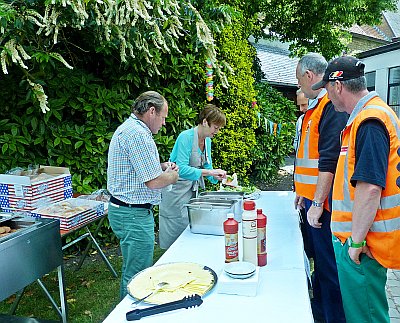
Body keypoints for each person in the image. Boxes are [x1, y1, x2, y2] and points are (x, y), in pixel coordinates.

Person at [312, 55, 400, 323]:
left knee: (366, 317)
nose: (327, 96)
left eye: (326, 89)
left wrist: (356, 242)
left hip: (363, 246)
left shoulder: (369, 120)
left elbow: (370, 188)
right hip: (359, 241)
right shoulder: (366, 117)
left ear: (338, 86)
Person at [107, 91, 179, 299]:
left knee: (134, 269)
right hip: (133, 215)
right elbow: (154, 181)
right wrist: (173, 176)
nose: (164, 123)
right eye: (163, 117)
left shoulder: (132, 130)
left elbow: (137, 170)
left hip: (127, 211)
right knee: (137, 274)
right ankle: (128, 315)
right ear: (152, 111)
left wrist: (161, 166)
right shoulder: (138, 135)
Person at [294, 52, 348, 323]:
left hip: (325, 209)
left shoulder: (329, 108)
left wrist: (316, 203)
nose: (299, 87)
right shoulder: (315, 109)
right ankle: (320, 313)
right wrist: (304, 195)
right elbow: (309, 161)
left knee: (329, 270)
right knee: (321, 267)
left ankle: (333, 317)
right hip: (314, 204)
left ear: (309, 76)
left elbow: (328, 161)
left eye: (298, 79)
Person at [158, 104, 227, 249]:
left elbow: (207, 165)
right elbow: (181, 169)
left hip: (190, 192)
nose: (217, 131)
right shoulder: (185, 137)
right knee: (175, 235)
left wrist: (217, 176)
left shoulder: (207, 140)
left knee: (189, 233)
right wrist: (208, 173)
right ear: (204, 122)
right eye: (216, 127)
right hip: (175, 192)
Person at [293, 89, 313, 260]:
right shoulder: (301, 121)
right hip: (302, 186)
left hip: (315, 191)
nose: (301, 108)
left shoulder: (317, 119)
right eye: (299, 105)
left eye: (303, 104)